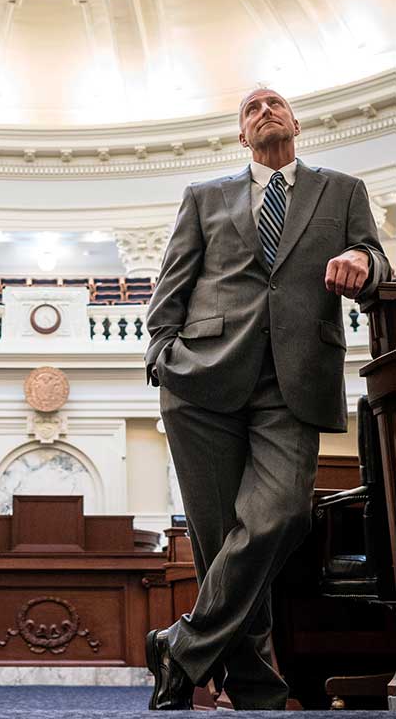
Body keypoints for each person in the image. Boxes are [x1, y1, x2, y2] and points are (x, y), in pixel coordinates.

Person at [144, 88, 391, 710]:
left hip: (295, 376)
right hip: (200, 377)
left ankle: (183, 644)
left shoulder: (342, 190)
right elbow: (175, 281)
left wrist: (361, 259)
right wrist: (161, 355)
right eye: (250, 108)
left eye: (273, 103)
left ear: (295, 122)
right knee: (218, 537)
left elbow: (380, 260)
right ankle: (252, 685)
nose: (263, 111)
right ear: (240, 136)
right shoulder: (205, 196)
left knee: (281, 515)